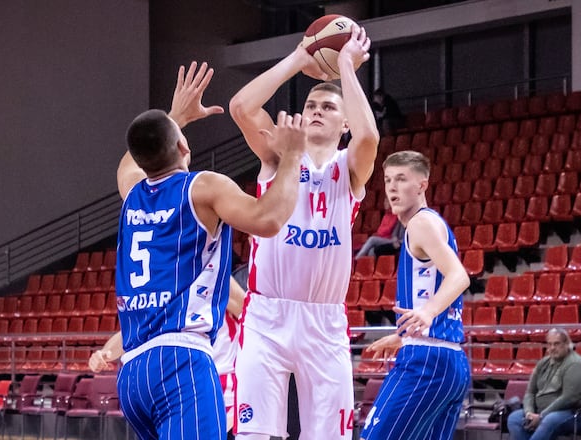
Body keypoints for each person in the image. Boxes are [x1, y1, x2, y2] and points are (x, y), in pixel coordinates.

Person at [111, 61, 307, 440]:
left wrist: (175, 116)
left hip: (133, 371)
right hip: (180, 361)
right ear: (184, 146)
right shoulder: (202, 187)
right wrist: (292, 157)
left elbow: (130, 162)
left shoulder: (131, 193)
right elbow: (267, 220)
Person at [228, 23, 379, 440]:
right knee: (253, 434)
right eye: (311, 104)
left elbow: (369, 136)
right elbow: (241, 106)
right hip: (266, 316)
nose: (315, 110)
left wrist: (346, 67)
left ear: (343, 123)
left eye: (328, 108)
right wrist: (300, 56)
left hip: (324, 321)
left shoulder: (348, 167)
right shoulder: (280, 155)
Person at [358, 150, 471, 440]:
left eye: (401, 179)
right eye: (387, 180)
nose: (392, 187)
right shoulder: (430, 223)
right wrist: (404, 334)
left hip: (427, 362)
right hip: (449, 361)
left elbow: (459, 276)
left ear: (422, 185)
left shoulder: (421, 224)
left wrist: (427, 312)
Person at [89, 276, 246, 437]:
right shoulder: (167, 292)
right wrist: (104, 353)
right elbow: (130, 333)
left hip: (222, 391)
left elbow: (248, 309)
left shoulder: (215, 280)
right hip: (180, 389)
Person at [506, 328, 581, 440]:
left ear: (567, 344)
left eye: (556, 344)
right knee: (515, 418)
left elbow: (569, 398)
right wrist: (529, 413)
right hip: (544, 412)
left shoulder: (576, 364)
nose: (552, 348)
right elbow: (530, 392)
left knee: (550, 420)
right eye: (550, 344)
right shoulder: (543, 363)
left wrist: (541, 416)